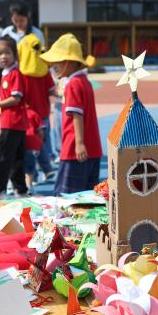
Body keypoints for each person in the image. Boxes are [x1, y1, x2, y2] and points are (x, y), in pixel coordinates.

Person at [40, 34, 101, 195]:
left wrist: (79, 143)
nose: (53, 66)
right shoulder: (84, 82)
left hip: (75, 151)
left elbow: (77, 115)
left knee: (66, 199)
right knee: (88, 199)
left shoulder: (72, 85)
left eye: (57, 62)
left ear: (69, 62)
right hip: (93, 150)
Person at [0, 35, 30, 199]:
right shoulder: (5, 73)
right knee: (16, 158)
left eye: (7, 53)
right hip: (14, 123)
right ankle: (20, 190)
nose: (3, 57)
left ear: (15, 54)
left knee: (2, 158)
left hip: (12, 123)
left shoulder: (15, 74)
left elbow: (16, 98)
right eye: (0, 53)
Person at [18, 33, 57, 184]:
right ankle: (47, 169)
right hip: (43, 112)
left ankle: (32, 174)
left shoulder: (22, 73)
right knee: (42, 143)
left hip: (28, 116)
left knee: (29, 145)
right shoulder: (44, 71)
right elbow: (51, 90)